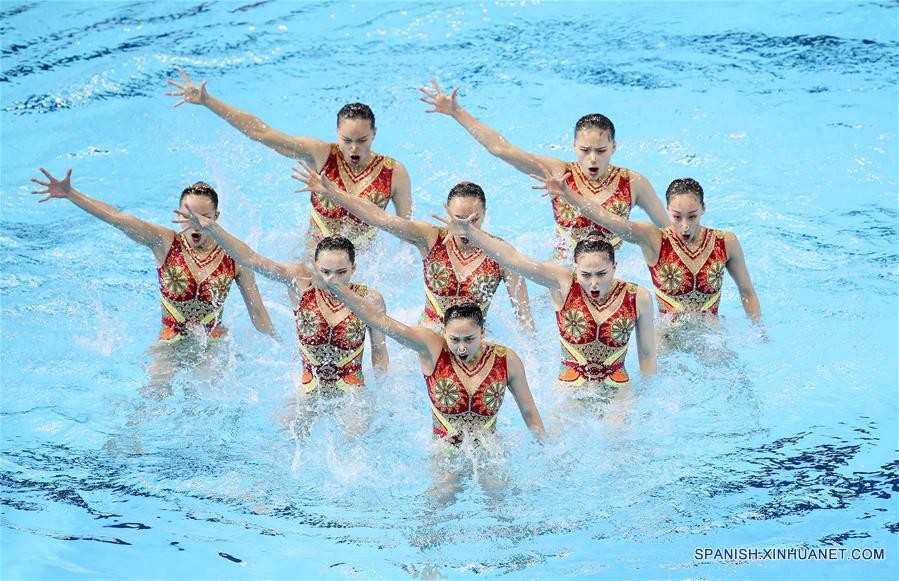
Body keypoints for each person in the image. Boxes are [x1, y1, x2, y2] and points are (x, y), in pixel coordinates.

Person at [30, 168, 276, 393]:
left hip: (212, 342)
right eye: (189, 216)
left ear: (216, 216)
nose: (197, 224)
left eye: (205, 217)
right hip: (171, 339)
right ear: (179, 215)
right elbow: (117, 218)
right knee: (151, 395)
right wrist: (72, 194)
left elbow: (258, 315)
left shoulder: (235, 256)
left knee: (208, 396)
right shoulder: (165, 243)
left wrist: (282, 350)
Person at [165, 68, 412, 254]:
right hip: (313, 259)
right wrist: (209, 102)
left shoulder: (393, 172)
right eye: (347, 140)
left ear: (375, 134)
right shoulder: (322, 154)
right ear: (337, 134)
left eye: (363, 140)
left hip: (362, 264)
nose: (354, 148)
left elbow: (407, 230)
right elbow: (261, 132)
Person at [419, 80, 670, 260]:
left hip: (608, 269)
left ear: (614, 147)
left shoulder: (633, 183)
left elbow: (668, 231)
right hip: (564, 265)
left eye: (601, 150)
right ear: (573, 146)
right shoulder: (558, 172)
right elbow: (500, 148)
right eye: (584, 150)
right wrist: (457, 112)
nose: (592, 159)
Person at [292, 161, 536, 333]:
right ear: (447, 212)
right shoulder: (430, 239)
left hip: (472, 341)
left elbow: (525, 321)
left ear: (485, 214)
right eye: (457, 218)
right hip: (428, 335)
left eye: (473, 220)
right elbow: (380, 218)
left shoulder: (501, 253)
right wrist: (333, 192)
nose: (464, 227)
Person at [172, 205, 388, 398]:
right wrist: (212, 228)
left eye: (341, 272)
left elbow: (379, 352)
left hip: (352, 393)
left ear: (354, 268)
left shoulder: (369, 299)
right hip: (308, 389)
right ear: (314, 266)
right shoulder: (301, 284)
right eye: (325, 272)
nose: (333, 280)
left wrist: (381, 393)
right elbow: (251, 259)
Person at [433, 210, 657, 395]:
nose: (594, 283)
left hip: (618, 390)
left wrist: (648, 396)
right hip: (569, 387)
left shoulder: (638, 296)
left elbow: (647, 356)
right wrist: (470, 232)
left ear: (615, 268)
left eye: (601, 273)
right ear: (575, 269)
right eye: (586, 275)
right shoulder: (563, 284)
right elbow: (514, 260)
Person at [311, 267, 544, 442]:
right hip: (444, 450)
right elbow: (380, 322)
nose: (461, 347)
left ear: (483, 332)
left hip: (489, 449)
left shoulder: (506, 360)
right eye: (455, 339)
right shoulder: (432, 348)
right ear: (444, 332)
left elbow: (528, 410)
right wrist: (339, 289)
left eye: (469, 339)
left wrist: (545, 451)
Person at [534, 170, 762, 323]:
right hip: (668, 334)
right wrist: (568, 193)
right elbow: (606, 218)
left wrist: (758, 329)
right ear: (667, 211)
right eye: (676, 216)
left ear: (704, 209)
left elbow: (746, 290)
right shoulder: (654, 239)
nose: (684, 226)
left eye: (692, 216)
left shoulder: (726, 242)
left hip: (710, 331)